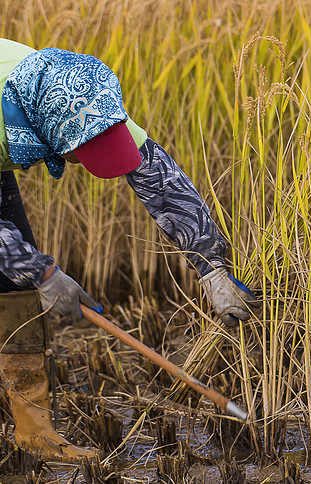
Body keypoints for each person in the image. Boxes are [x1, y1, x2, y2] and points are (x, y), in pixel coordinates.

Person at [0, 38, 259, 462]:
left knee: (14, 286)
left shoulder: (83, 96)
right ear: (46, 130)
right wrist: (41, 272)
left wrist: (211, 265)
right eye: (84, 153)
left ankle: (34, 434)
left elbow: (161, 181)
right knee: (19, 268)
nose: (92, 160)